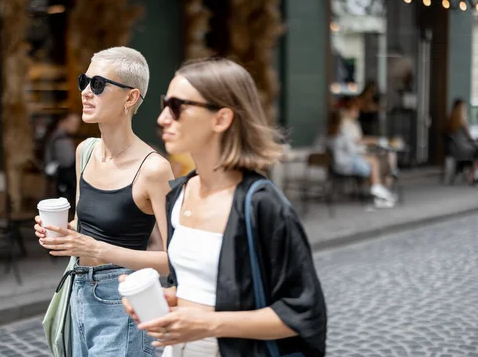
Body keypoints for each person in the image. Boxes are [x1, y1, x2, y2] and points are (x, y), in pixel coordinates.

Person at [122, 58, 327, 357]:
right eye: (165, 103)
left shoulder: (261, 205)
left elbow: (303, 312)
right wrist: (165, 299)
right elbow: (202, 289)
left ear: (221, 119)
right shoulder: (177, 193)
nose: (164, 117)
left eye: (178, 107)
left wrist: (208, 324)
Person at [35, 46, 174, 357]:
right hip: (77, 292)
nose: (86, 91)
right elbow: (86, 225)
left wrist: (97, 249)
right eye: (84, 81)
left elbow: (173, 259)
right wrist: (60, 232)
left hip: (123, 301)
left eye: (98, 85)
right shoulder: (85, 151)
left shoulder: (153, 168)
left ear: (130, 97)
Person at [326, 109, 396, 207]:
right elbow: (352, 150)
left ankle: (377, 188)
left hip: (334, 166)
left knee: (372, 162)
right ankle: (377, 188)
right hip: (346, 165)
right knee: (374, 162)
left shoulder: (326, 133)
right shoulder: (342, 133)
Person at [44, 112, 81, 206]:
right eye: (73, 123)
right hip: (62, 179)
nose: (76, 127)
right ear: (63, 122)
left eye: (77, 124)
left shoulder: (57, 135)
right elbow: (67, 161)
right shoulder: (61, 138)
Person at [446, 98, 478, 184]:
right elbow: (470, 137)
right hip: (463, 148)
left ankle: (468, 172)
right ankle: (471, 175)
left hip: (453, 148)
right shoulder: (462, 121)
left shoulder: (450, 119)